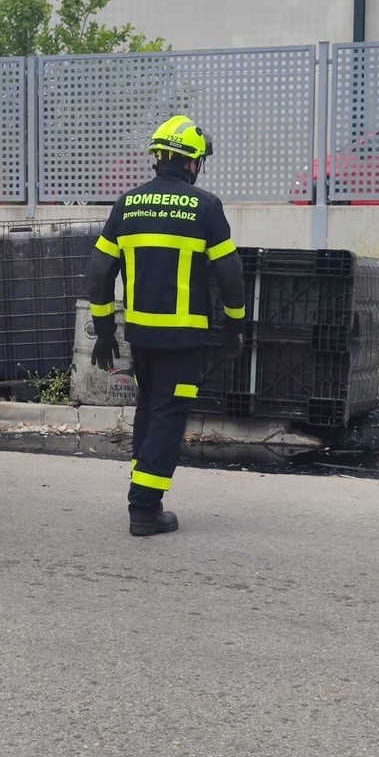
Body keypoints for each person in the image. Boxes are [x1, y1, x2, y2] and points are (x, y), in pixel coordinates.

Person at [85, 115, 247, 537]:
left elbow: (99, 271)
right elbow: (230, 273)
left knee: (149, 409)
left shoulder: (127, 204)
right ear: (192, 162)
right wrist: (235, 324)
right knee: (168, 415)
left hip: (140, 334)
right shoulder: (206, 207)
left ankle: (143, 494)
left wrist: (104, 329)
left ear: (159, 158)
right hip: (185, 337)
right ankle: (144, 508)